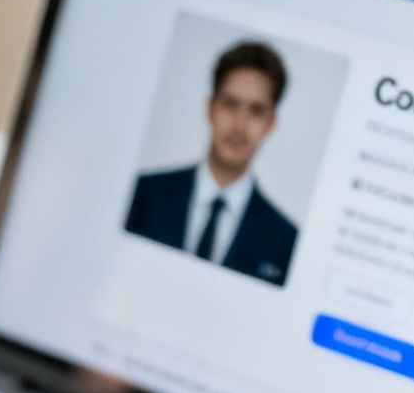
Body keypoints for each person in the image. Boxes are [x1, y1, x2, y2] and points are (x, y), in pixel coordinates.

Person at [125, 40, 300, 286]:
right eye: (230, 104)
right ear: (210, 108)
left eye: (256, 111)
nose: (240, 125)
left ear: (270, 124)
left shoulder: (286, 240)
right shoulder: (143, 194)